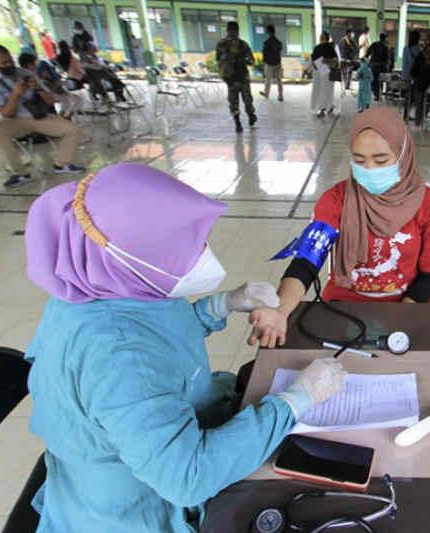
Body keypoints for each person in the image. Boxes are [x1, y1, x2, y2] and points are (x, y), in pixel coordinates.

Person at [22, 162, 347, 532]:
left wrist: (221, 305)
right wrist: (297, 400)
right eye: (192, 246)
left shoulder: (101, 281)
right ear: (134, 258)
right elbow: (188, 478)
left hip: (128, 458)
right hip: (136, 510)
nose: (204, 253)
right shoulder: (117, 358)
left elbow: (157, 334)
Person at [248, 107, 430, 349]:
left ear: (403, 154)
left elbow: (429, 277)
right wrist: (281, 310)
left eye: (381, 160)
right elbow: (306, 262)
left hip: (407, 306)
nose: (369, 169)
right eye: (359, 160)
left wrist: (398, 320)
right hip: (343, 307)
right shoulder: (335, 201)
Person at [0, 45, 83, 188]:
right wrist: (16, 94)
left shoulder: (26, 73)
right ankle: (19, 173)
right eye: (4, 63)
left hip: (38, 116)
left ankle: (62, 164)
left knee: (72, 129)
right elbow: (6, 113)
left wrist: (38, 88)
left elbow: (50, 101)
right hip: (14, 120)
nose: (9, 64)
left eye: (10, 60)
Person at [216, 21, 256, 133]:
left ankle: (237, 123)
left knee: (233, 102)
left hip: (230, 79)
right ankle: (251, 116)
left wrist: (223, 75)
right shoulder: (243, 44)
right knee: (247, 99)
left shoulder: (221, 44)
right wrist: (244, 60)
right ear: (238, 31)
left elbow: (218, 61)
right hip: (242, 76)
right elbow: (252, 61)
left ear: (227, 30)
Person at [19, 52, 84, 120]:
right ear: (29, 65)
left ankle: (64, 117)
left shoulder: (32, 75)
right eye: (35, 63)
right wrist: (55, 86)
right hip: (46, 99)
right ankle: (64, 118)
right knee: (73, 99)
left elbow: (46, 88)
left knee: (71, 99)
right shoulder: (30, 77)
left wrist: (48, 81)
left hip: (50, 95)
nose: (36, 65)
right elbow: (46, 93)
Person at [311, 31, 338, 118]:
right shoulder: (320, 47)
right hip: (320, 68)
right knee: (324, 89)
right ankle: (325, 107)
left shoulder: (328, 48)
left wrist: (325, 61)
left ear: (326, 38)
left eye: (322, 36)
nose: (320, 38)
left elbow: (334, 60)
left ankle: (324, 108)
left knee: (322, 89)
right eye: (320, 36)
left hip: (322, 68)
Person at [261, 25, 284, 101]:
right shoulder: (278, 42)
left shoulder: (267, 42)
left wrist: (264, 63)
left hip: (269, 63)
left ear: (268, 32)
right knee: (279, 80)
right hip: (277, 63)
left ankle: (266, 94)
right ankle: (280, 96)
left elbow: (264, 53)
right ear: (274, 31)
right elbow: (280, 50)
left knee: (268, 79)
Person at [367, 33, 389, 102]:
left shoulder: (374, 44)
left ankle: (376, 94)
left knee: (374, 80)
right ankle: (378, 95)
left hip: (373, 65)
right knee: (380, 81)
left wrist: (367, 59)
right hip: (381, 66)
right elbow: (386, 58)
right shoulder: (385, 47)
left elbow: (367, 53)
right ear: (385, 38)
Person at [338, 27, 358, 91]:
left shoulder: (342, 40)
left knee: (345, 72)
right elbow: (355, 48)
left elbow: (340, 49)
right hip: (348, 59)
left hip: (343, 59)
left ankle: (346, 85)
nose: (352, 34)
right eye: (351, 33)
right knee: (348, 72)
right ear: (349, 33)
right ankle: (347, 85)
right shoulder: (349, 40)